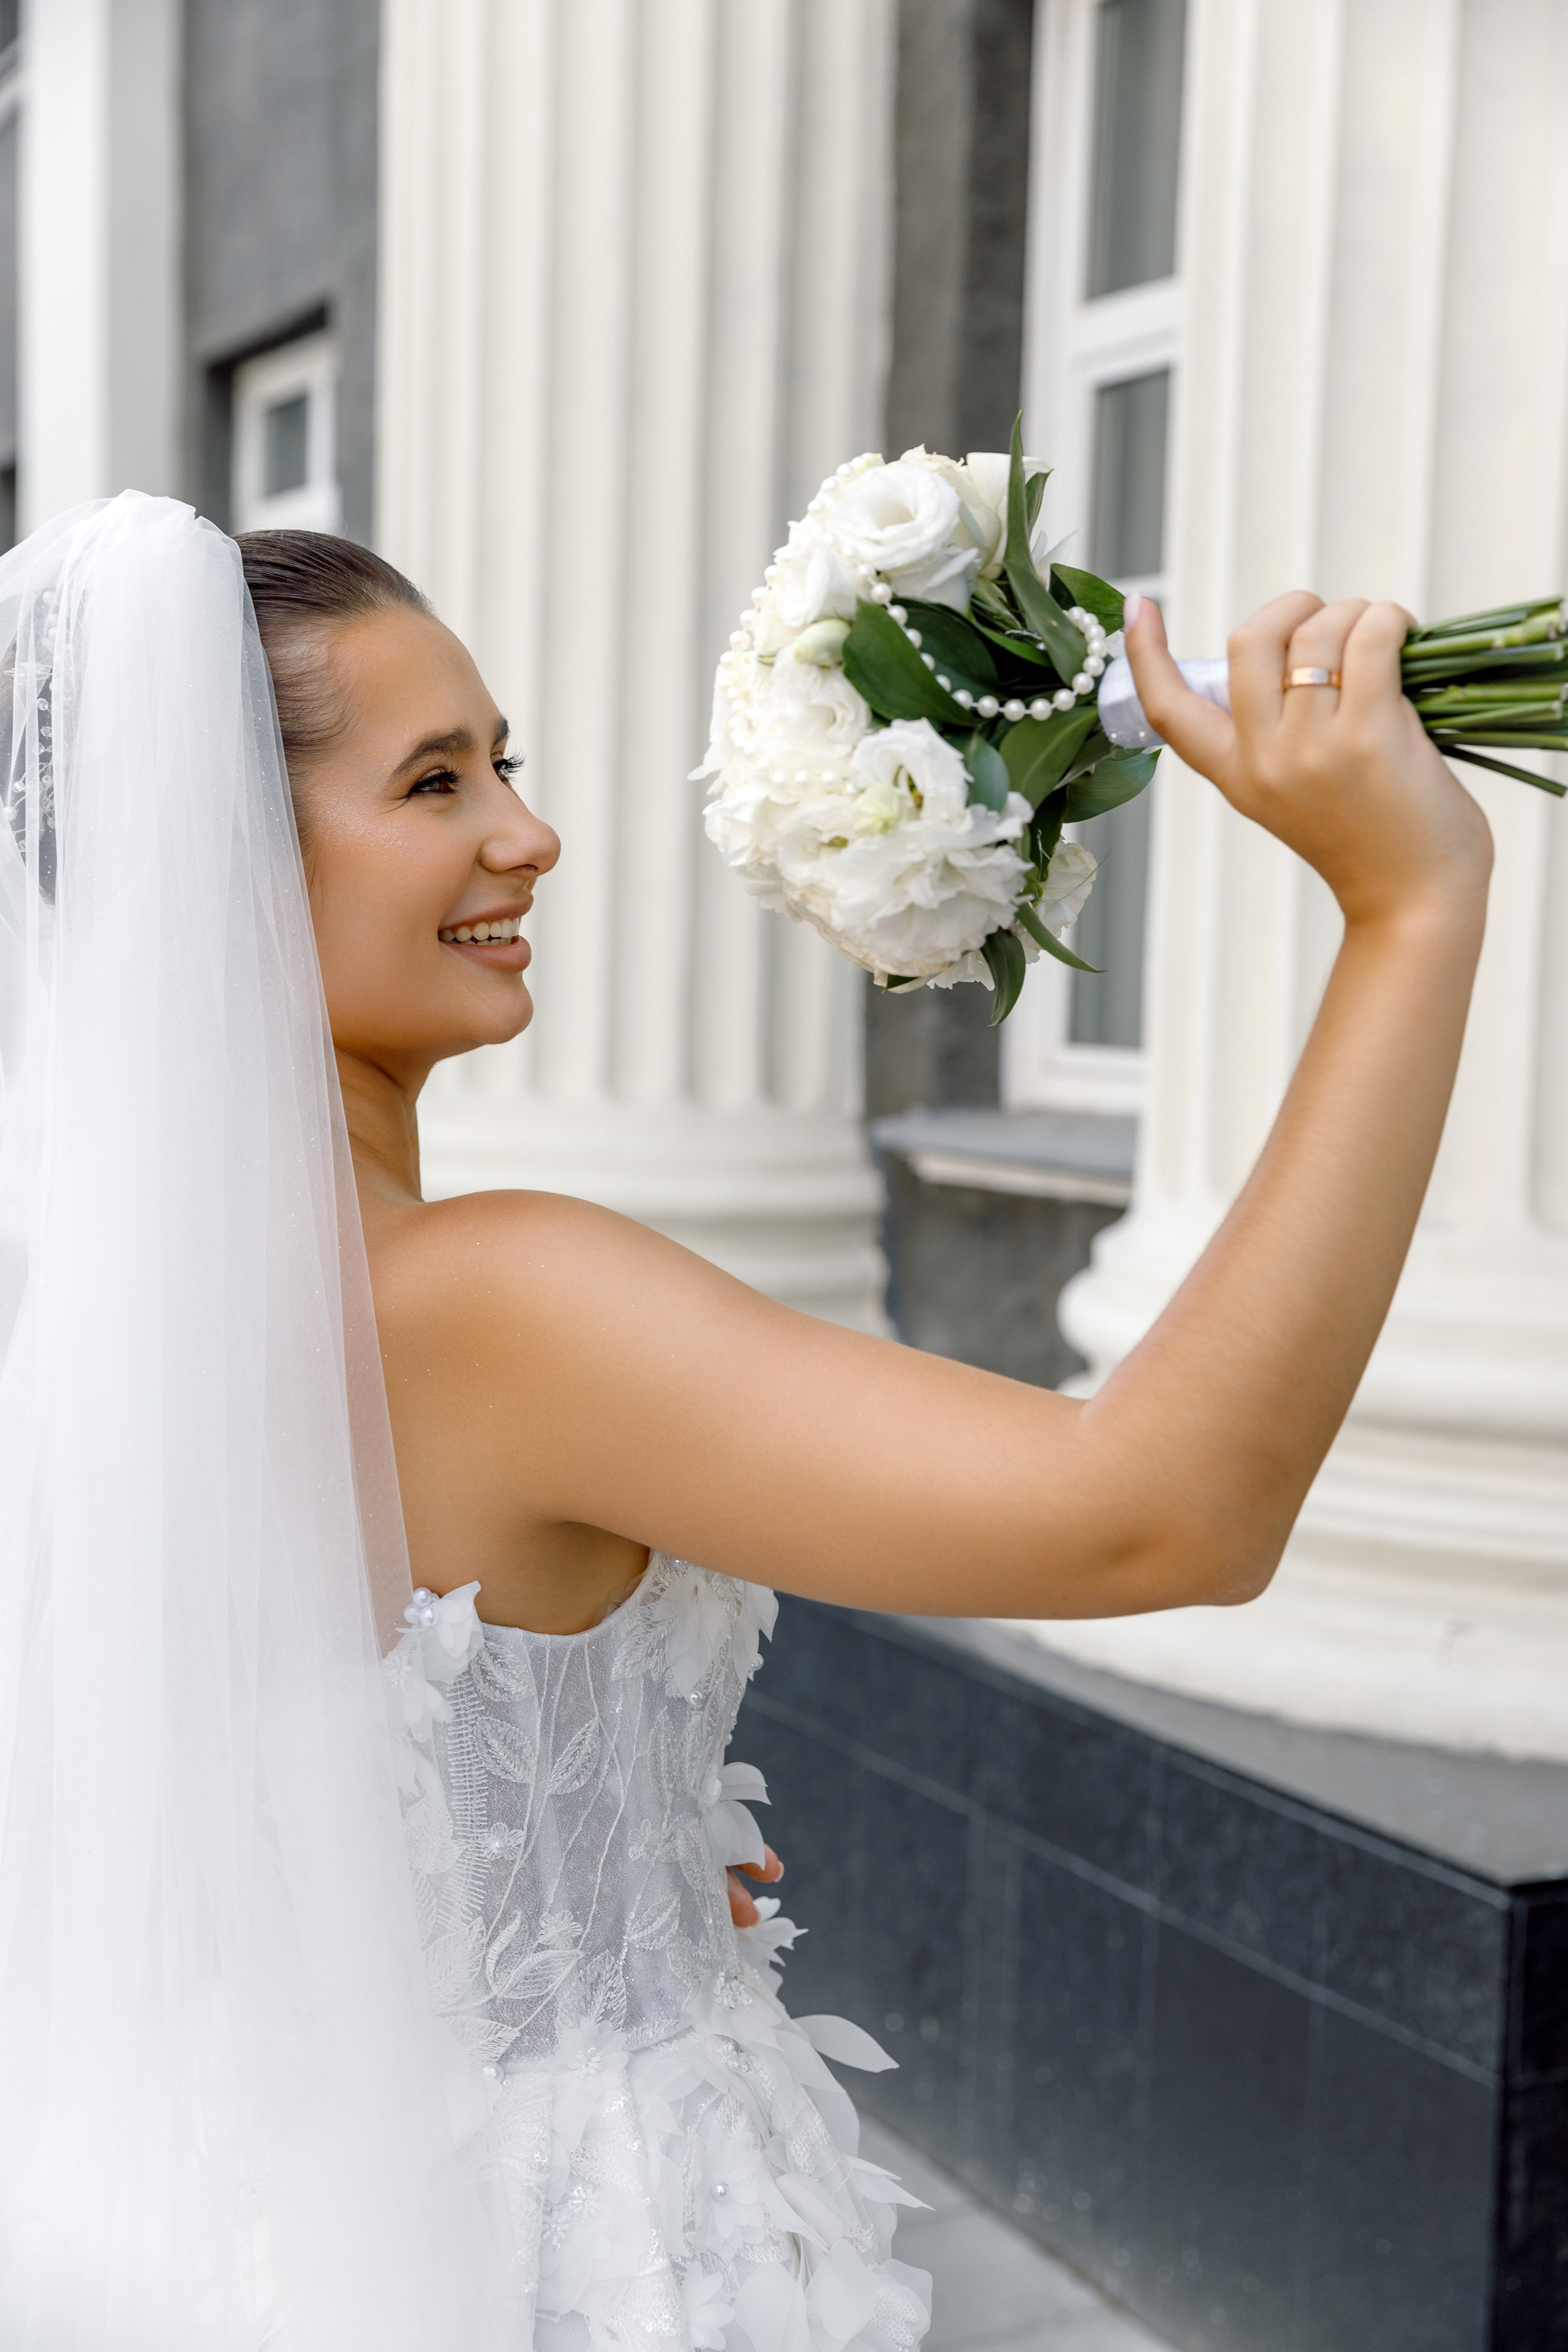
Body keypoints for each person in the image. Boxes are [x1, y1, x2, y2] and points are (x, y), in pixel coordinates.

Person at [0, 494, 1490, 2351]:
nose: (528, 834)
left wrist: (552, 1854)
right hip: (576, 2252)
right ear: (214, 860)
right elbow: (1165, 1512)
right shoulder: (493, 1300)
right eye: (436, 782)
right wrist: (1410, 911)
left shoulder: (91, 1315)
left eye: (506, 765)